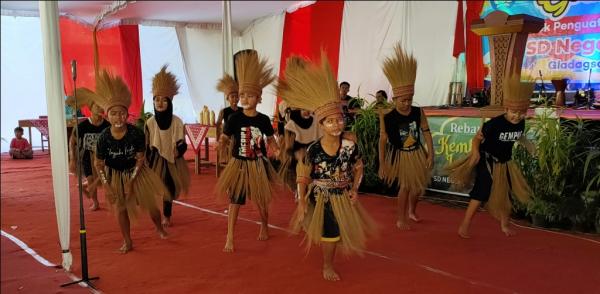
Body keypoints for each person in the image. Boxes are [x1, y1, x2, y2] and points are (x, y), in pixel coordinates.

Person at [282, 52, 377, 281]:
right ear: (322, 124)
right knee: (330, 232)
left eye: (340, 119)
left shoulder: (349, 146)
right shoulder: (313, 150)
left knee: (336, 232)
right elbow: (303, 175)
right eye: (331, 121)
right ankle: (327, 265)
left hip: (343, 195)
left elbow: (359, 167)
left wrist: (355, 189)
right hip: (322, 196)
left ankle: (328, 256)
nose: (337, 124)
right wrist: (303, 200)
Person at [448, 72, 535, 238]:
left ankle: (504, 225)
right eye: (513, 112)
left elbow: (519, 136)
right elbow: (476, 139)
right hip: (488, 160)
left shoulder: (521, 123)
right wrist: (475, 153)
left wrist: (529, 144)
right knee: (481, 193)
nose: (517, 116)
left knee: (505, 192)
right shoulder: (494, 124)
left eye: (521, 112)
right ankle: (464, 225)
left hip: (505, 162)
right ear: (506, 109)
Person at [89, 69, 168, 253]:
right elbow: (98, 164)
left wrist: (132, 182)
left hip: (137, 171)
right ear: (107, 116)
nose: (118, 118)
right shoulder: (103, 138)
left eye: (122, 113)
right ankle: (127, 240)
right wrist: (107, 185)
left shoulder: (135, 133)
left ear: (127, 114)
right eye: (114, 114)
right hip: (114, 174)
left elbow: (141, 159)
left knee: (150, 205)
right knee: (121, 208)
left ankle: (159, 227)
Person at [216, 50, 281, 253]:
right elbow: (226, 137)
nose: (244, 98)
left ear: (259, 98)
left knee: (261, 200)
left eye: (250, 95)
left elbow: (270, 139)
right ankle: (229, 236)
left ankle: (264, 224)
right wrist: (221, 144)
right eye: (242, 94)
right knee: (234, 201)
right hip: (238, 164)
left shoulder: (262, 119)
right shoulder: (234, 118)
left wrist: (276, 149)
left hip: (258, 163)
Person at [379, 44, 434, 230]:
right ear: (395, 99)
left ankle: (412, 210)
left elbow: (426, 133)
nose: (407, 103)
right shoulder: (388, 117)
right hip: (400, 155)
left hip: (417, 151)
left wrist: (431, 154)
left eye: (409, 99)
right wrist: (382, 162)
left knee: (418, 187)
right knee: (405, 187)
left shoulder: (418, 112)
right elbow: (382, 140)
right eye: (403, 100)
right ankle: (401, 218)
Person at [145, 65, 190, 228]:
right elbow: (147, 143)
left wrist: (179, 150)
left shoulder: (177, 121)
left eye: (164, 100)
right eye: (157, 99)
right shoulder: (150, 122)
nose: (160, 103)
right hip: (155, 159)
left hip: (172, 160)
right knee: (153, 187)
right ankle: (154, 213)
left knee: (169, 187)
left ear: (170, 102)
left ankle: (167, 215)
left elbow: (182, 142)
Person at [66, 96, 111, 211]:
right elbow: (72, 141)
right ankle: (95, 202)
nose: (100, 108)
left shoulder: (108, 125)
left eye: (102, 105)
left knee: (105, 179)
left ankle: (85, 186)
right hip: (87, 156)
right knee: (91, 179)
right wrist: (72, 159)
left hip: (104, 157)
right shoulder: (81, 126)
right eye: (97, 105)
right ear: (91, 108)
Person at [215, 74, 241, 164]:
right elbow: (218, 124)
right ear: (228, 98)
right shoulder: (224, 111)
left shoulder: (242, 110)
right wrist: (219, 136)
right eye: (232, 97)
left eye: (236, 96)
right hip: (228, 137)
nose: (235, 99)